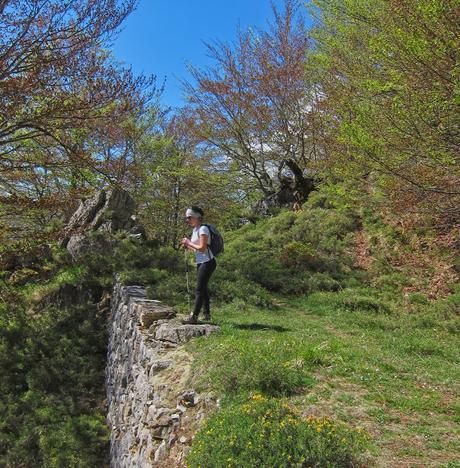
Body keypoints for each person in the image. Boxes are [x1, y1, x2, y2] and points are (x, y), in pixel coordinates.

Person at [181, 206, 217, 324]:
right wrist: (188, 246)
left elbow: (202, 248)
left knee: (199, 289)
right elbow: (196, 249)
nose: (187, 220)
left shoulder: (203, 229)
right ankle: (207, 314)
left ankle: (193, 317)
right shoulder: (195, 230)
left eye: (189, 217)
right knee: (204, 288)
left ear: (197, 217)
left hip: (208, 262)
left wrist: (189, 242)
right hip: (201, 261)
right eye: (187, 218)